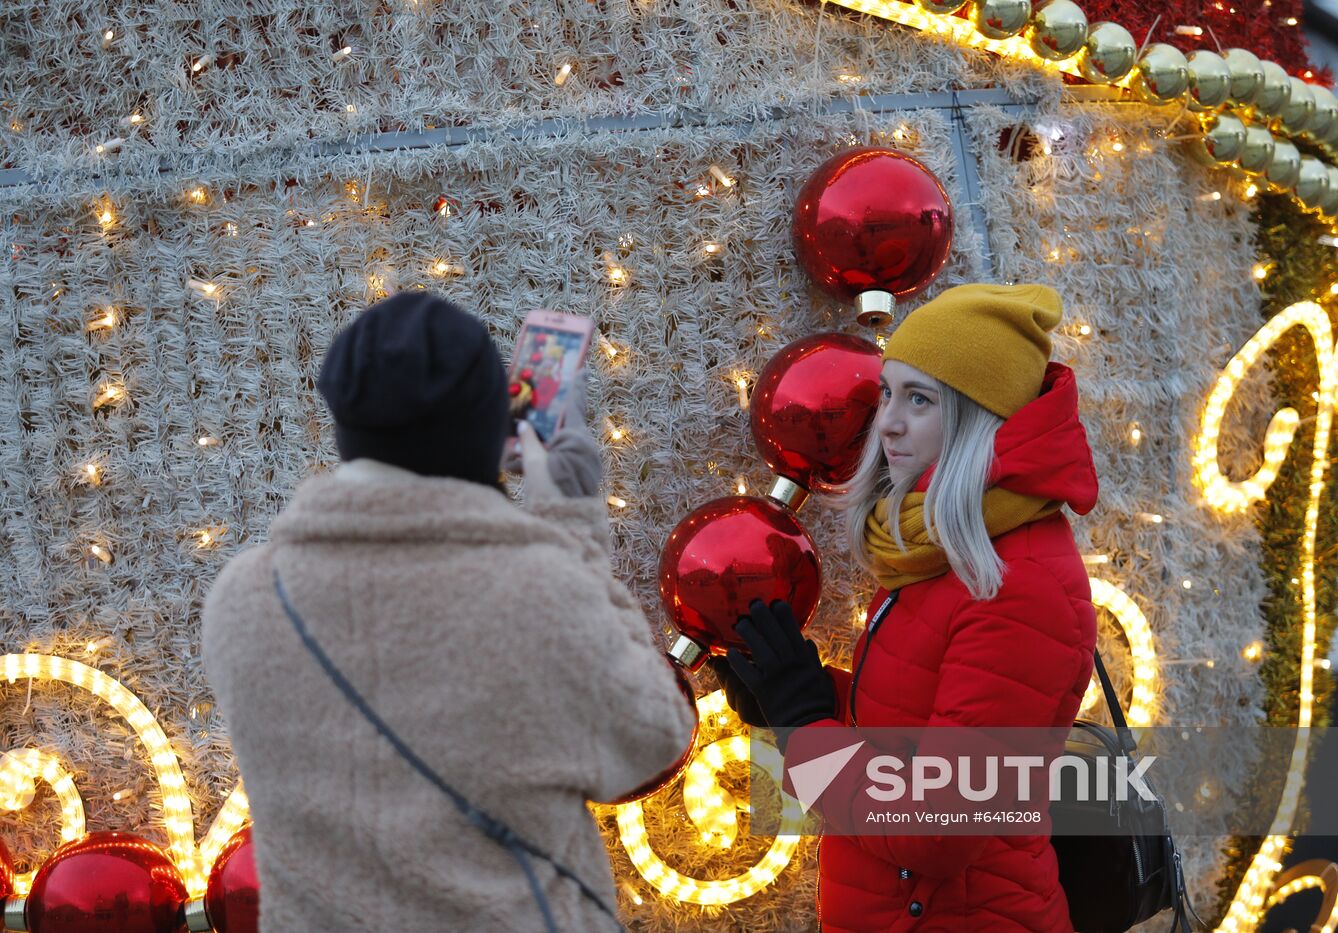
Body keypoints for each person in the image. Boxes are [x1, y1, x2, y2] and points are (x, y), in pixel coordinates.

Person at [200, 292, 696, 931]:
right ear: (492, 425)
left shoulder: (241, 596)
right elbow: (653, 739)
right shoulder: (538, 590)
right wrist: (571, 528)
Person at [711, 283, 1100, 931]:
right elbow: (917, 730)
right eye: (888, 391)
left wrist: (805, 723)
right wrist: (798, 698)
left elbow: (935, 828)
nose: (887, 420)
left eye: (920, 399)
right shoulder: (938, 544)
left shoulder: (1016, 583)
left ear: (982, 418)